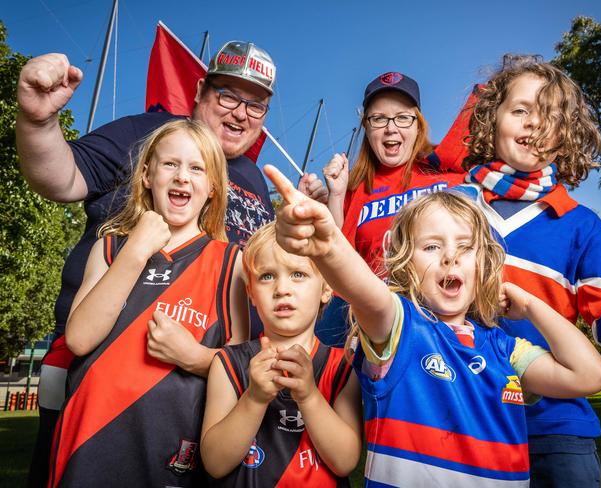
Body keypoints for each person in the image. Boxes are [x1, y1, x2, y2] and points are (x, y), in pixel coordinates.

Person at [16, 40, 325, 487]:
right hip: (98, 384)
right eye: (229, 96)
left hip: (194, 404)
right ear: (200, 90)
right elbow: (61, 176)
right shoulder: (146, 133)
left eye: (255, 105)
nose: (240, 113)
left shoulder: (256, 182)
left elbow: (256, 317)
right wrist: (39, 121)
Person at [266, 165, 601, 485]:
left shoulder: (505, 349)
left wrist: (533, 307)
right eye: (432, 246)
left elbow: (590, 376)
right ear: (405, 265)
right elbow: (365, 292)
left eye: (465, 247)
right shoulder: (400, 329)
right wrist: (328, 248)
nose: (450, 256)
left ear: (483, 264)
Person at [459, 55, 601, 487]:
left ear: (566, 135)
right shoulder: (450, 206)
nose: (533, 125)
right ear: (491, 120)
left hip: (556, 430)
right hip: (464, 417)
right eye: (521, 110)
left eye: (549, 116)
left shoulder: (581, 225)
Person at [48, 119, 248, 487]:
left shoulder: (232, 262)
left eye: (196, 168)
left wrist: (194, 356)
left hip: (172, 450)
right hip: (89, 442)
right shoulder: (110, 248)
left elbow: (241, 370)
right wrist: (136, 250)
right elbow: (79, 339)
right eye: (170, 164)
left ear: (213, 188)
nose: (182, 177)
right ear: (146, 175)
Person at [201, 222, 362, 486]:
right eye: (267, 276)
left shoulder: (343, 367)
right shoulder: (228, 362)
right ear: (251, 293)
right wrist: (254, 398)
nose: (282, 289)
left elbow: (345, 462)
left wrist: (309, 396)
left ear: (326, 288)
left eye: (298, 274)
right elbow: (215, 464)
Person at [319, 72, 465, 345]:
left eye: (402, 117)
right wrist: (336, 195)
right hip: (368, 314)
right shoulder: (357, 186)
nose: (390, 128)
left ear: (418, 124)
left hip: (437, 311)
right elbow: (337, 255)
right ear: (367, 127)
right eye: (379, 119)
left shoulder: (446, 172)